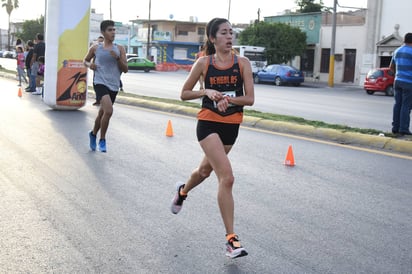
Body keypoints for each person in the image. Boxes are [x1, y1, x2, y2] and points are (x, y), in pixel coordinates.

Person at [170, 17, 254, 259]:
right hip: (208, 124)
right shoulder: (204, 63)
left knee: (204, 171)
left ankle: (182, 191)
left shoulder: (243, 63)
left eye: (231, 33)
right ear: (212, 38)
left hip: (231, 126)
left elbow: (249, 99)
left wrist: (230, 99)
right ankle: (231, 240)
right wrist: (206, 91)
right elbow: (184, 94)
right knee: (226, 178)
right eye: (224, 33)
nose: (230, 37)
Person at [84, 20, 128, 152]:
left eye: (114, 30)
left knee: (102, 113)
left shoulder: (119, 49)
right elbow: (85, 60)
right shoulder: (96, 48)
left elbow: (125, 69)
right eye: (110, 30)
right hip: (100, 82)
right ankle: (102, 140)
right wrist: (89, 65)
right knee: (108, 111)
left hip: (113, 84)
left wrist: (117, 58)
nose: (113, 32)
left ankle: (93, 134)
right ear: (103, 32)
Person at [390, 32, 412, 135]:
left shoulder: (396, 51)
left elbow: (391, 67)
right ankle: (403, 128)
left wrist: (398, 75)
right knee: (406, 106)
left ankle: (395, 127)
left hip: (397, 81)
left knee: (397, 104)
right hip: (409, 82)